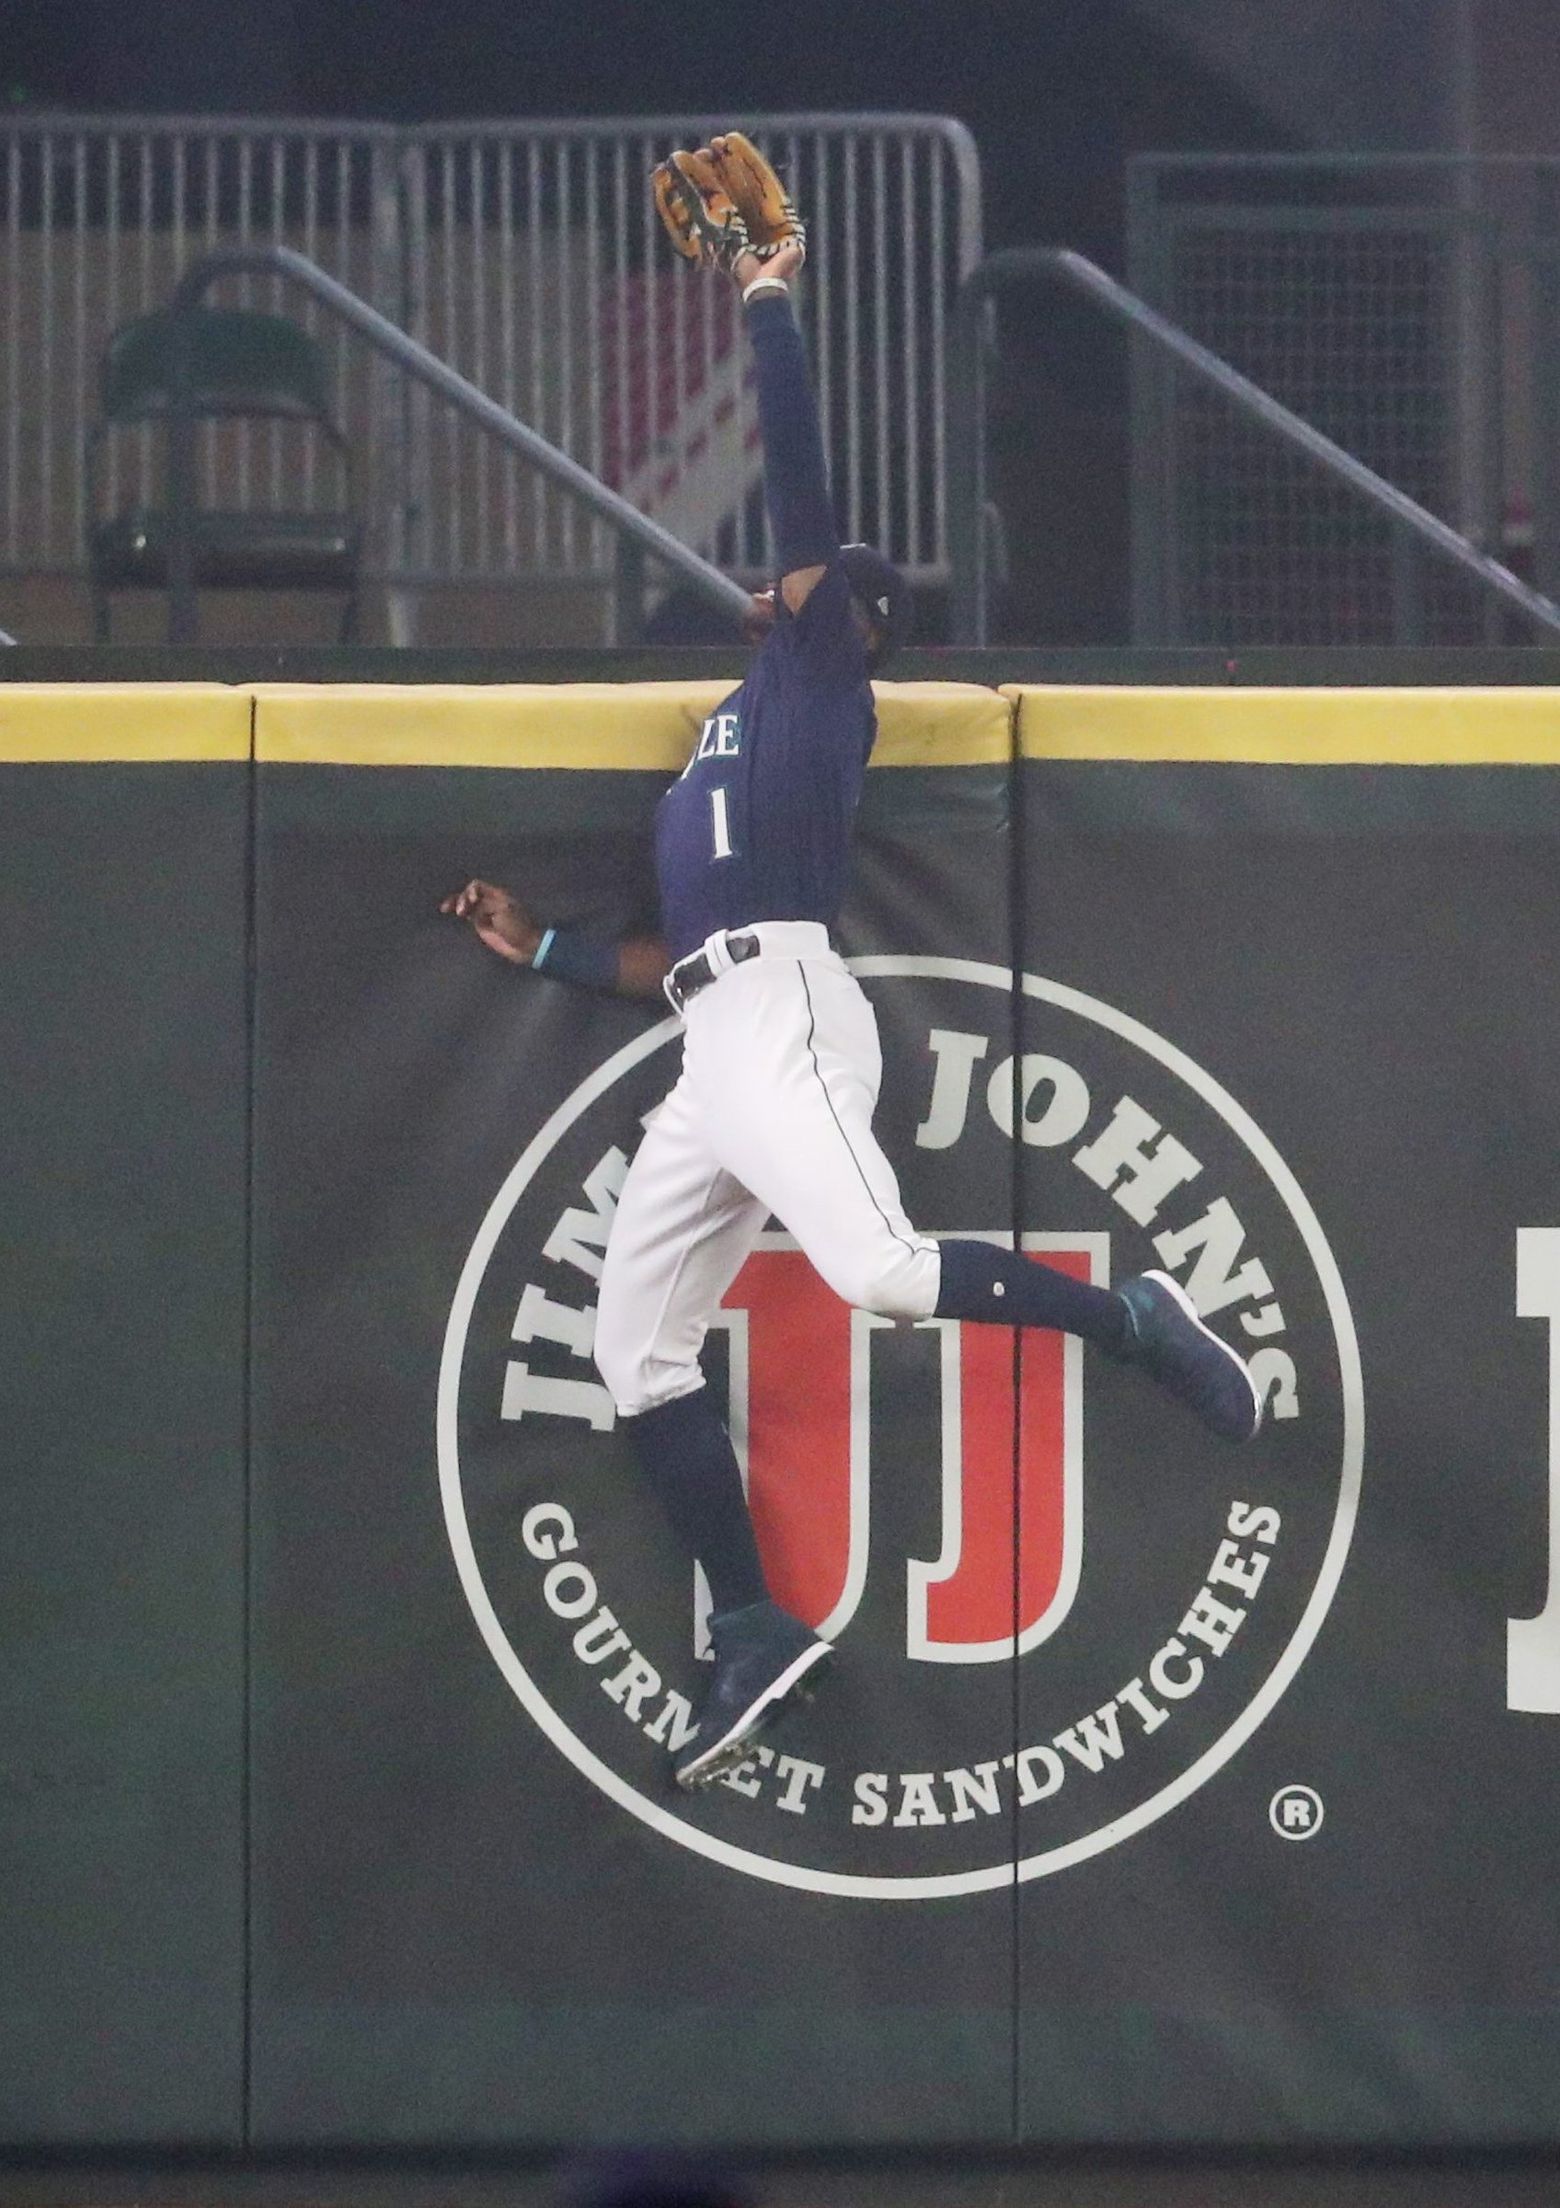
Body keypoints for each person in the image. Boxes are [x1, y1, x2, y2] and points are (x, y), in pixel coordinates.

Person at [444, 150, 1262, 1794]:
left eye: (807, 581)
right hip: (711, 1035)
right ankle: (750, 1622)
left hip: (796, 1011)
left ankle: (1135, 1320)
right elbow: (668, 958)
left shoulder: (822, 675)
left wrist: (766, 298)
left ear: (846, 616)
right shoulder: (716, 748)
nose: (776, 579)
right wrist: (537, 946)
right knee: (633, 1354)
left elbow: (805, 492)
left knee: (880, 1274)